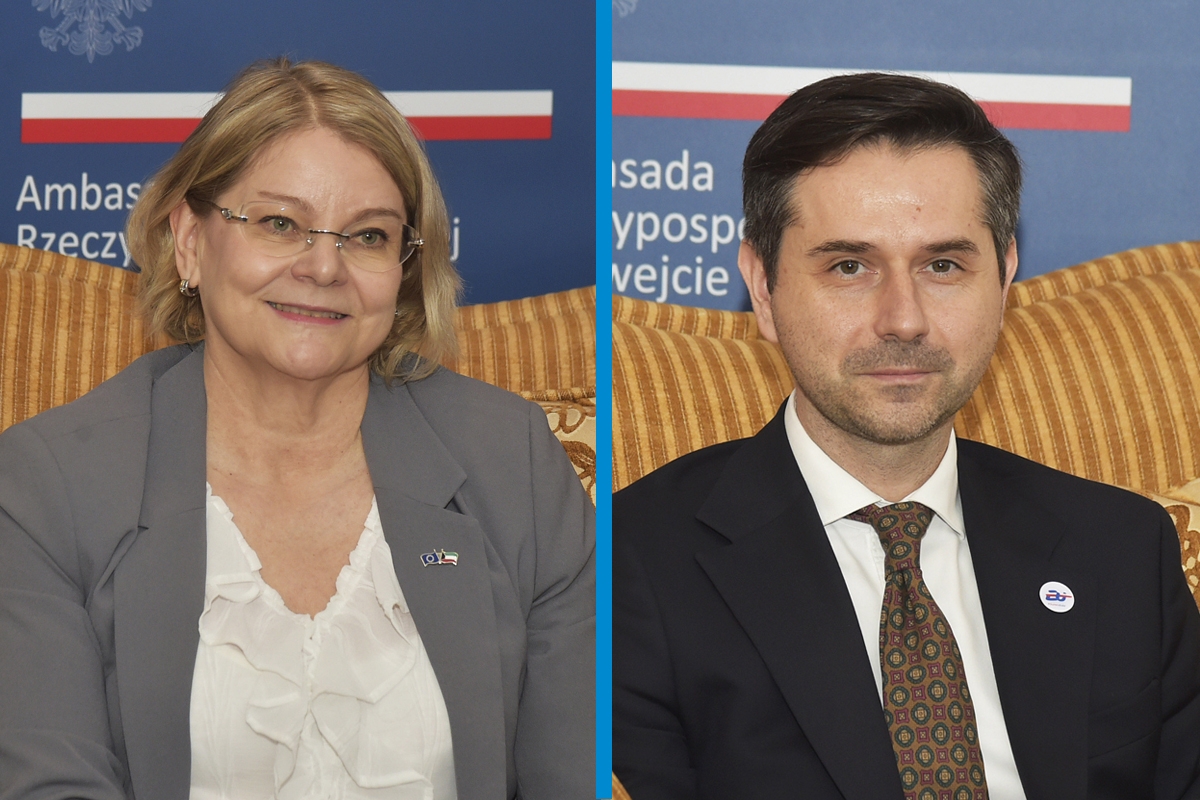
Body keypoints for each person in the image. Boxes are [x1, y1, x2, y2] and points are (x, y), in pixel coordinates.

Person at [0, 58, 594, 800]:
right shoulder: (50, 484)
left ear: (404, 270)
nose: (324, 267)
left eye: (367, 236)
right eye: (280, 224)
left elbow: (572, 774)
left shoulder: (513, 461)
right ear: (190, 241)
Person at [613, 72, 1200, 799]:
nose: (904, 319)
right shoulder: (633, 562)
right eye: (849, 266)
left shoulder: (1122, 550)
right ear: (763, 286)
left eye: (943, 265)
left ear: (1004, 278)